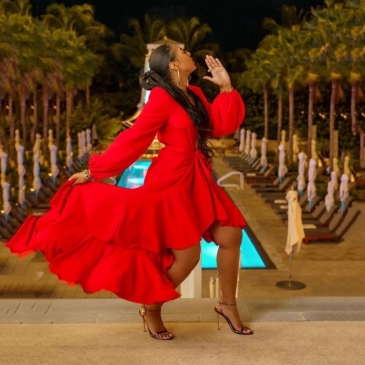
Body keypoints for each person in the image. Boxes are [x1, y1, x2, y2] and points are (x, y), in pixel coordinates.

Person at [6, 44, 253, 340]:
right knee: (188, 256)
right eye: (182, 51)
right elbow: (135, 138)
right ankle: (151, 308)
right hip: (171, 182)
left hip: (197, 178)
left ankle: (227, 304)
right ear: (173, 65)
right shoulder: (161, 98)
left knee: (231, 235)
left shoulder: (195, 94)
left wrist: (226, 88)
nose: (189, 53)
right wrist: (93, 171)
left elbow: (219, 126)